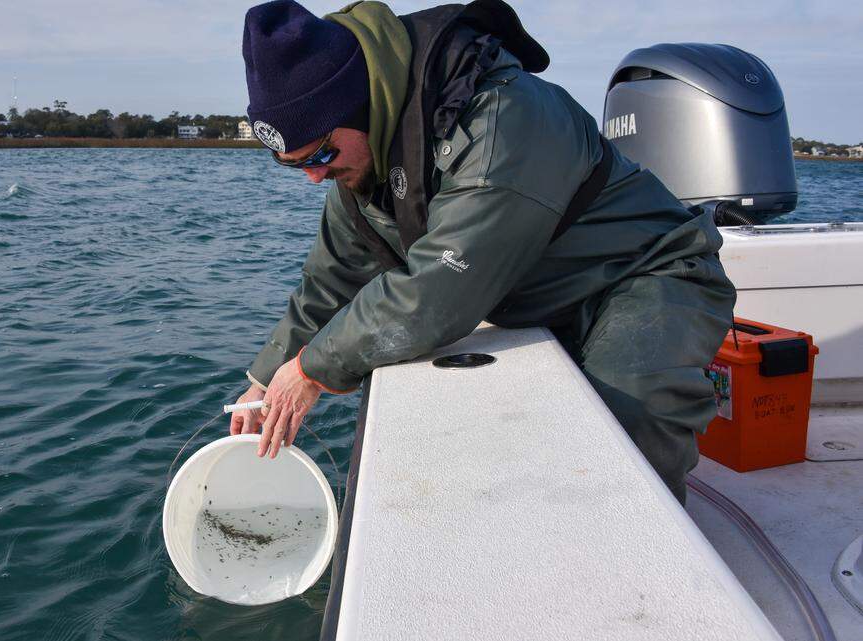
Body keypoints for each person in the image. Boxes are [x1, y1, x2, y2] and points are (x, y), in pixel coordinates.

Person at [228, 0, 735, 504]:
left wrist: (312, 370)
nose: (314, 175)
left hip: (646, 272)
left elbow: (437, 294)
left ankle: (647, 563)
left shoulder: (500, 121)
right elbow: (330, 280)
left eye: (320, 154)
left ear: (362, 106)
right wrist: (264, 381)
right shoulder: (364, 159)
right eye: (293, 165)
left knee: (628, 417)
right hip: (539, 294)